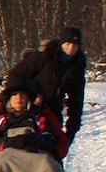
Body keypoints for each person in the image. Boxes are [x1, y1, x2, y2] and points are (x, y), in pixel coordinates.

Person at [6, 26, 88, 156]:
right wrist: (28, 94)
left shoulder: (77, 68)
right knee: (24, 146)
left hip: (53, 112)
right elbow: (15, 76)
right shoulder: (42, 58)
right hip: (28, 109)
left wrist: (71, 130)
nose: (71, 48)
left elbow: (76, 101)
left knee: (51, 149)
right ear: (61, 44)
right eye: (67, 44)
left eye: (75, 45)